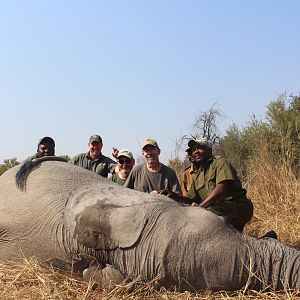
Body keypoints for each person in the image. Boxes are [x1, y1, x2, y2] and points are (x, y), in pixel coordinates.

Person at [163, 137, 253, 232]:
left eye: (200, 148)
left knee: (207, 213)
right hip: (220, 208)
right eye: (194, 149)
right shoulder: (198, 174)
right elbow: (191, 198)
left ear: (209, 149)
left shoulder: (219, 162)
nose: (196, 152)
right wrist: (173, 196)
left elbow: (221, 189)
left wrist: (200, 208)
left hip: (238, 207)